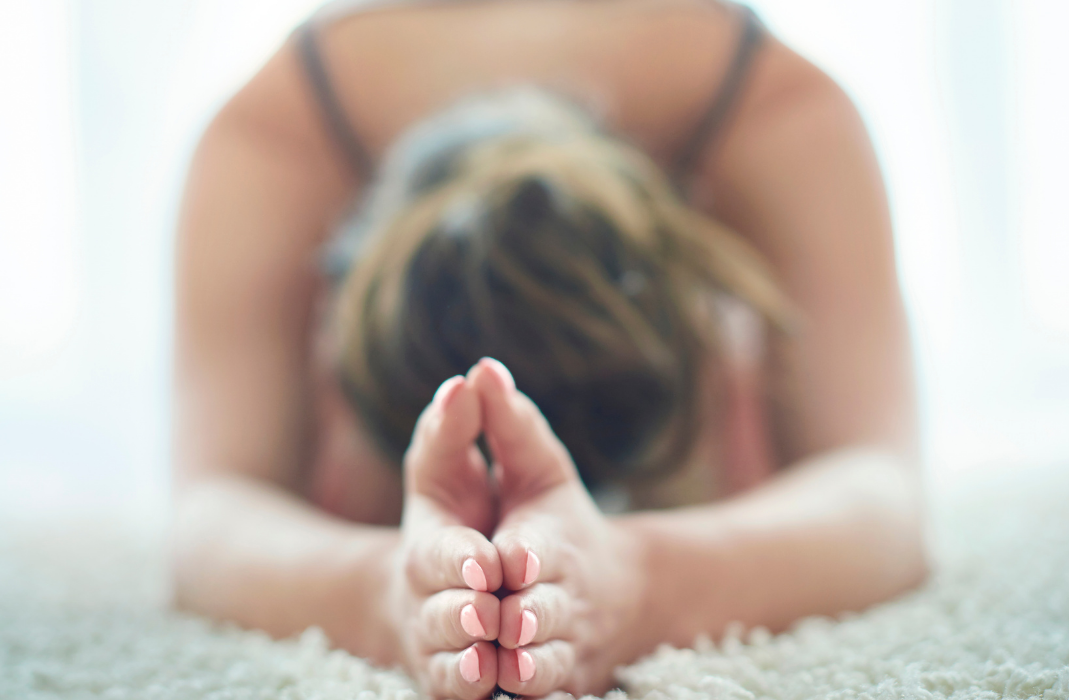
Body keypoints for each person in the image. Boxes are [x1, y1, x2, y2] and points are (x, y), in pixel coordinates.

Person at [170, 0, 927, 698]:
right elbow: (209, 517)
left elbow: (884, 496)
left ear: (729, 369)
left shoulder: (775, 110)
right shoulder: (278, 135)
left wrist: (637, 580)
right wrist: (387, 592)